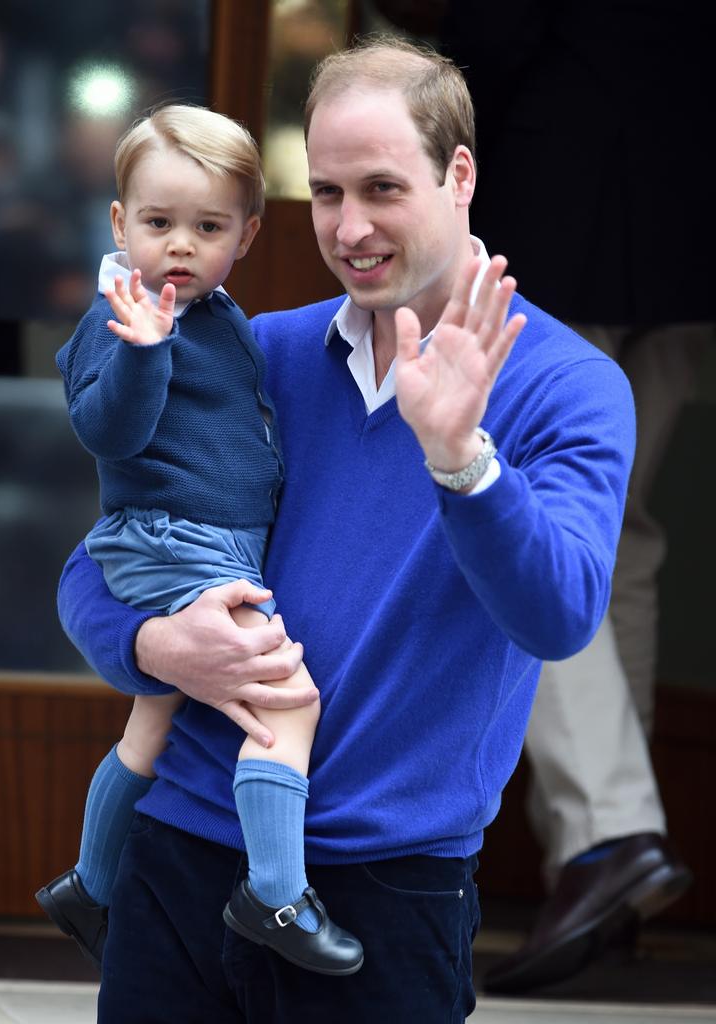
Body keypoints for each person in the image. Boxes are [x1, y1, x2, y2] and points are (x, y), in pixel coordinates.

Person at [54, 36, 636, 1022]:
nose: (350, 226)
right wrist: (157, 645)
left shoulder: (570, 387)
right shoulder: (257, 349)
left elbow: (560, 616)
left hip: (386, 892)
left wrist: (464, 461)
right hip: (183, 860)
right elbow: (93, 565)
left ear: (460, 174)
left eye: (380, 188)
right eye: (326, 192)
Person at [35, 103, 363, 977]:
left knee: (154, 727)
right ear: (119, 223)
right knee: (287, 704)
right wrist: (144, 350)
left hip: (207, 544)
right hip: (177, 541)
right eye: (157, 222)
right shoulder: (124, 315)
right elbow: (111, 433)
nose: (179, 244)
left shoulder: (223, 320)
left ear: (247, 235)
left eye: (207, 226)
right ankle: (275, 894)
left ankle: (90, 887)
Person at [431, 0, 701, 992]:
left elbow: (494, 35)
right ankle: (605, 855)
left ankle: (608, 834)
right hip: (684, 229)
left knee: (521, 523)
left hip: (562, 201)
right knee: (618, 539)